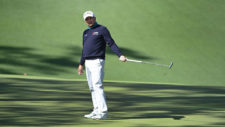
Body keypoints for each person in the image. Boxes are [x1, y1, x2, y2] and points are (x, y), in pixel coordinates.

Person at [78, 11, 127, 120]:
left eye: (90, 18)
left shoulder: (102, 29)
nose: (89, 20)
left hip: (97, 61)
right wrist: (81, 64)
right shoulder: (85, 32)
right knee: (92, 87)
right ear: (85, 21)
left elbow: (111, 43)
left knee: (97, 85)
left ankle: (103, 112)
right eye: (87, 19)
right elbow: (84, 49)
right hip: (88, 62)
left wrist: (120, 55)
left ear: (94, 18)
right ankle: (96, 110)